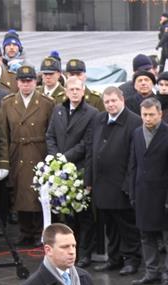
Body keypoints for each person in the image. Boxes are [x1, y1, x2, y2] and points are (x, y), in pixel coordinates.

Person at [85, 86, 142, 275]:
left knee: (127, 226)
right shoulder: (99, 119)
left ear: (122, 100)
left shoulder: (134, 122)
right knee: (110, 225)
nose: (110, 105)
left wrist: (128, 184)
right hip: (102, 184)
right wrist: (89, 180)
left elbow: (135, 157)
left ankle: (132, 259)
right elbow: (91, 151)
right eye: (107, 102)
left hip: (121, 185)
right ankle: (115, 258)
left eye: (113, 101)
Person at [0, 64, 55, 247]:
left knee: (38, 192)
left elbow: (51, 131)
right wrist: (5, 160)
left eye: (29, 80)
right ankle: (25, 230)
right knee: (19, 192)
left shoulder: (46, 102)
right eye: (22, 81)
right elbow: (3, 134)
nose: (26, 84)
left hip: (38, 151)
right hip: (17, 151)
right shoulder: (8, 103)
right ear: (17, 82)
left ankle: (39, 230)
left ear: (35, 81)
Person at [128, 97, 168, 285]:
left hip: (163, 193)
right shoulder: (136, 133)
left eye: (151, 114)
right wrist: (132, 191)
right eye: (144, 115)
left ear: (160, 114)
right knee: (146, 235)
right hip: (143, 192)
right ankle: (151, 271)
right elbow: (133, 165)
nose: (147, 118)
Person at [45, 77, 97, 267]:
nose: (74, 92)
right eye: (71, 89)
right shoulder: (58, 109)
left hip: (79, 170)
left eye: (78, 89)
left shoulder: (91, 113)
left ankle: (84, 253)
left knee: (84, 216)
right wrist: (55, 159)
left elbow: (87, 143)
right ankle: (67, 251)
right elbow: (50, 135)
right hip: (60, 172)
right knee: (66, 214)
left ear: (83, 91)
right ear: (65, 91)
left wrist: (64, 158)